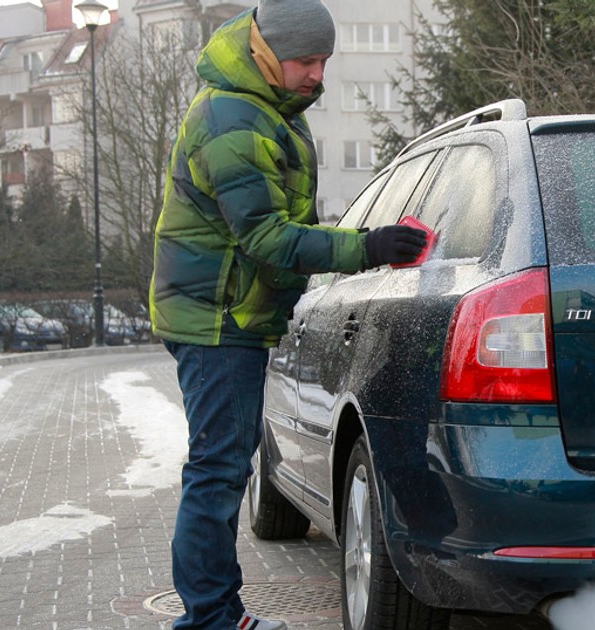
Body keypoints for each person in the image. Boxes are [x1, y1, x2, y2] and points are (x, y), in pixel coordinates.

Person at [148, 1, 426, 628]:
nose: (317, 75)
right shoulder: (235, 117)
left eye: (324, 60)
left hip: (229, 316)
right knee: (218, 471)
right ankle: (210, 619)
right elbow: (267, 236)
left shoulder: (265, 106)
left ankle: (213, 615)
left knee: (221, 465)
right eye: (306, 60)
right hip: (217, 320)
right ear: (266, 51)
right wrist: (366, 246)